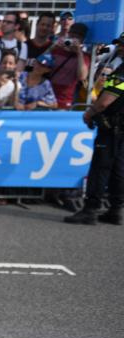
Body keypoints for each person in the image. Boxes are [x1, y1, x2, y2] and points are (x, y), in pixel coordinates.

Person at [63, 63, 124, 225]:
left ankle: (90, 210)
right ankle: (115, 210)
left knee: (100, 169)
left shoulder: (122, 73)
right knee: (118, 169)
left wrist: (90, 113)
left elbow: (105, 101)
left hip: (112, 129)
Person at [48, 22, 90, 109]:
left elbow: (82, 77)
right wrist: (52, 48)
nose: (74, 38)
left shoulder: (84, 56)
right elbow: (39, 65)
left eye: (78, 36)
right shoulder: (57, 50)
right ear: (68, 34)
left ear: (83, 39)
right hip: (47, 96)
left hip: (65, 100)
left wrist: (79, 53)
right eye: (72, 34)